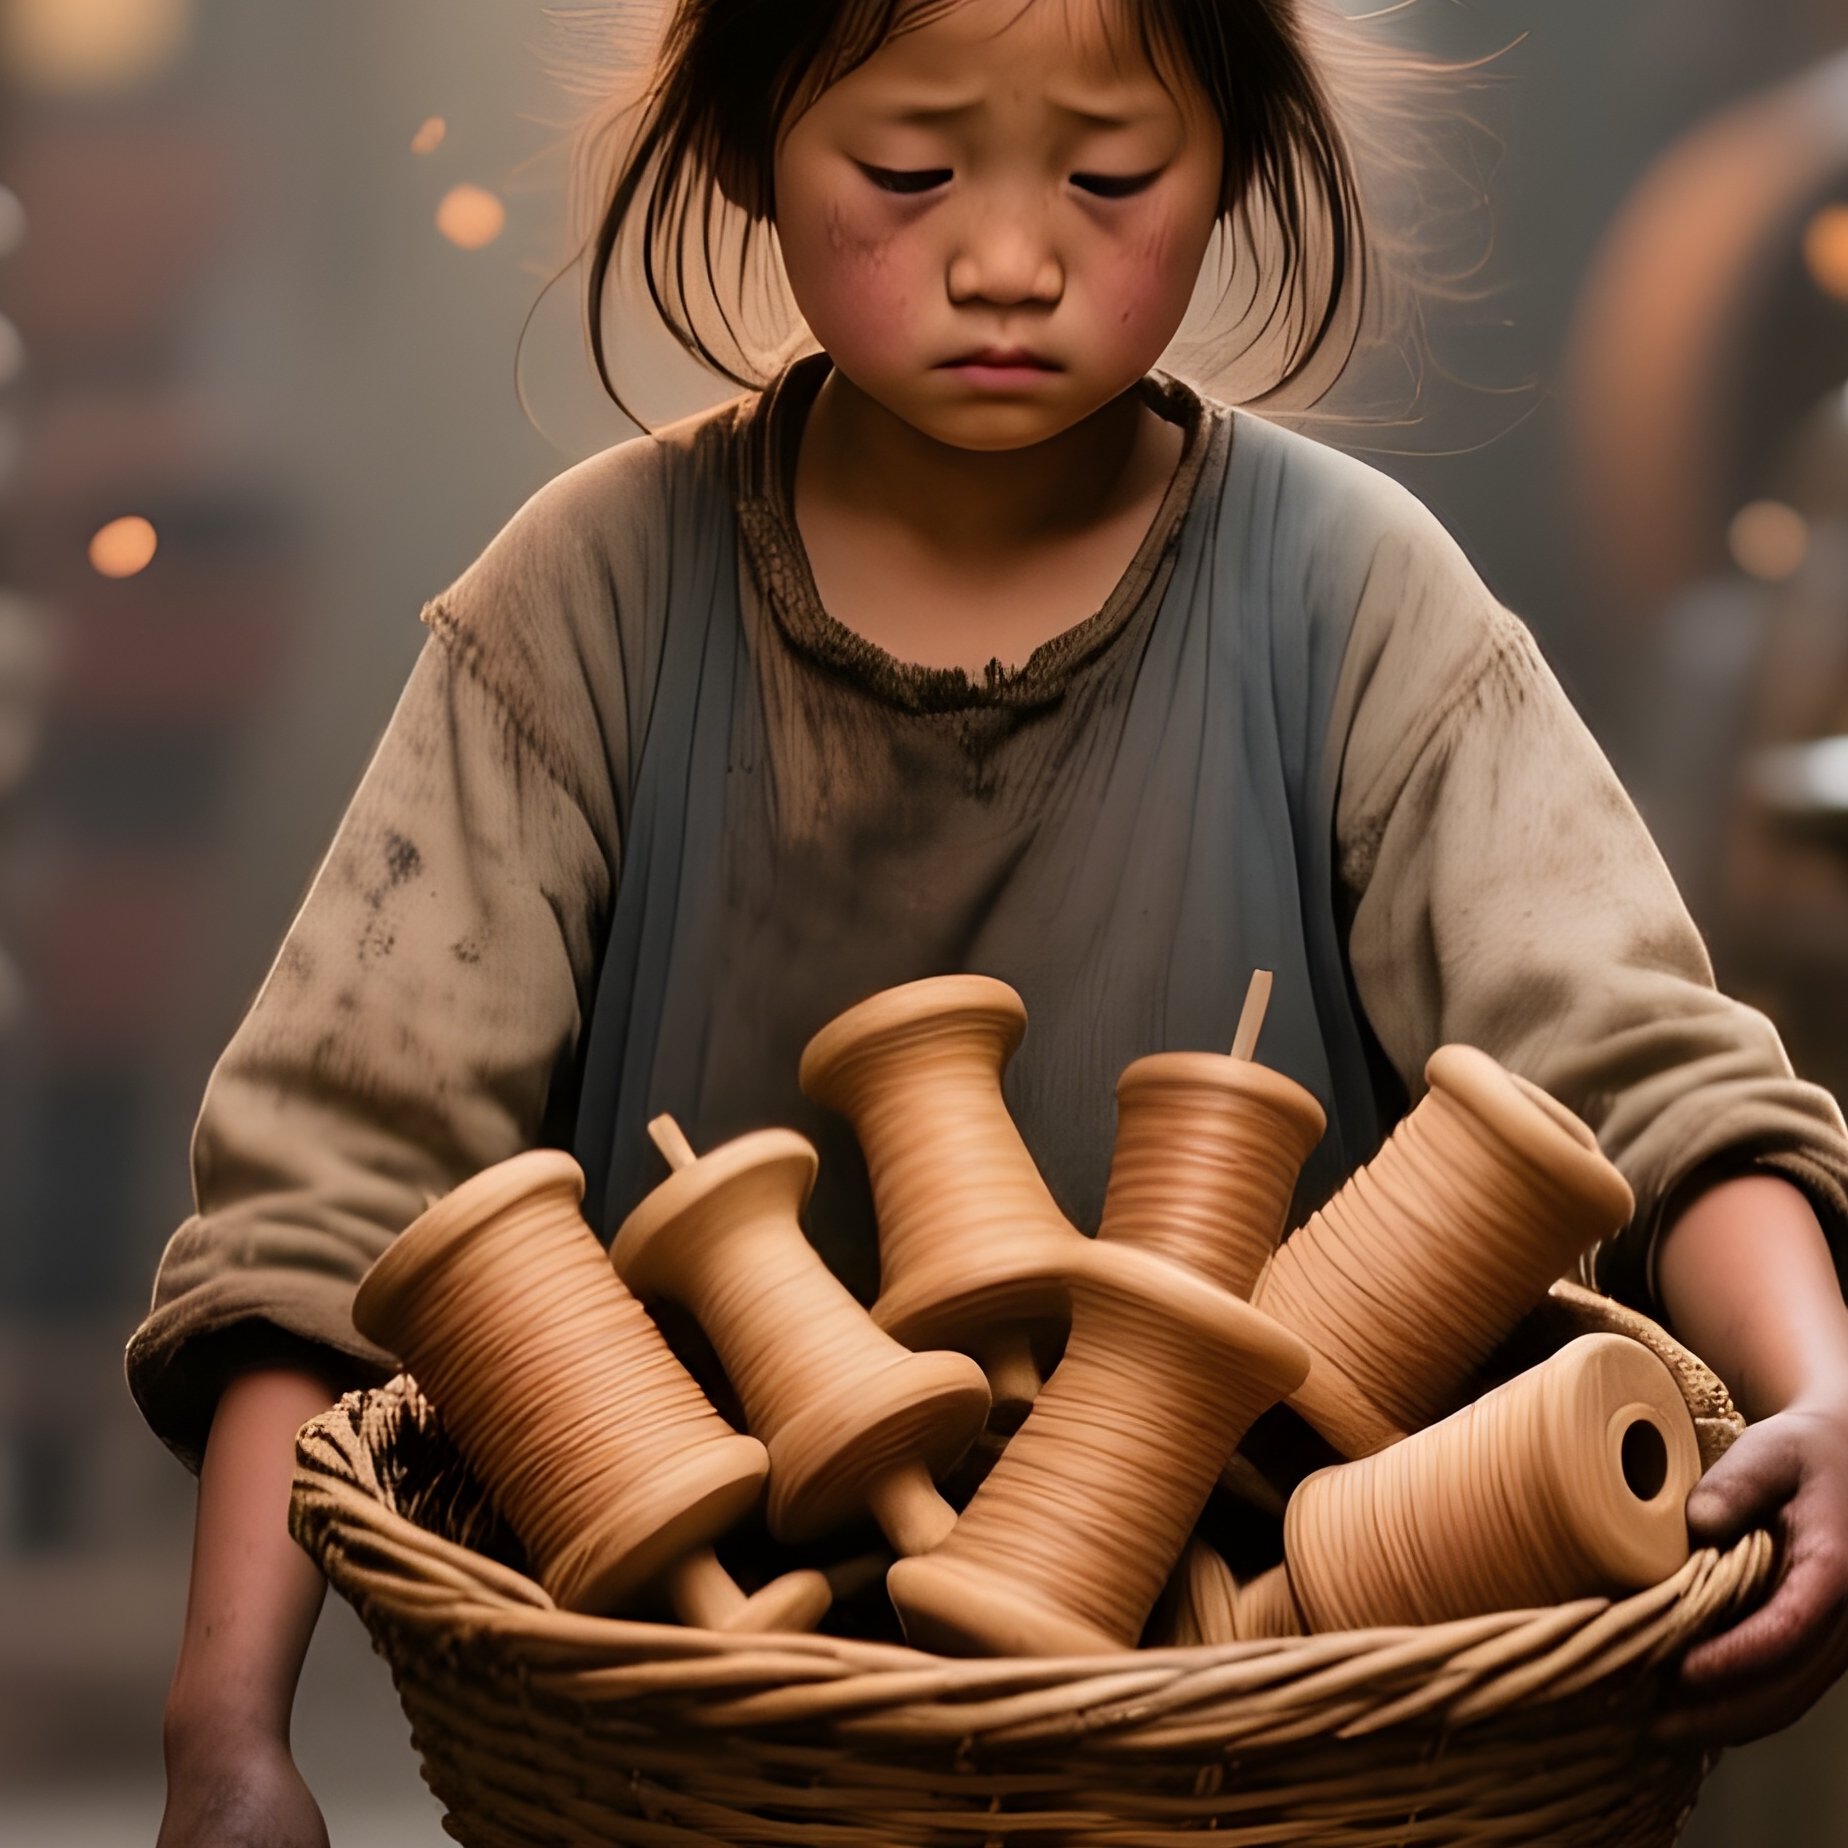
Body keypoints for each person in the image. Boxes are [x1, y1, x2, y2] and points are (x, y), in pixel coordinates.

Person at [131, 2, 1848, 1842]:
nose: (1012, 259)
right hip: (685, 1756)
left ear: (1243, 158)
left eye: (1112, 173)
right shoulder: (588, 611)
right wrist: (226, 1726)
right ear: (739, 144)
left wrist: (1823, 1392)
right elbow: (330, 1191)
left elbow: (1647, 1081)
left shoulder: (1354, 601)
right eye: (909, 171)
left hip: (1272, 1749)